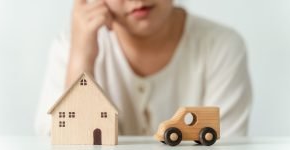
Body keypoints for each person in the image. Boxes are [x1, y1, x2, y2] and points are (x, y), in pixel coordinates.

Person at [35, 0, 252, 137]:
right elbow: (64, 140)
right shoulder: (72, 47)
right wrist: (81, 59)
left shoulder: (221, 46)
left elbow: (228, 141)